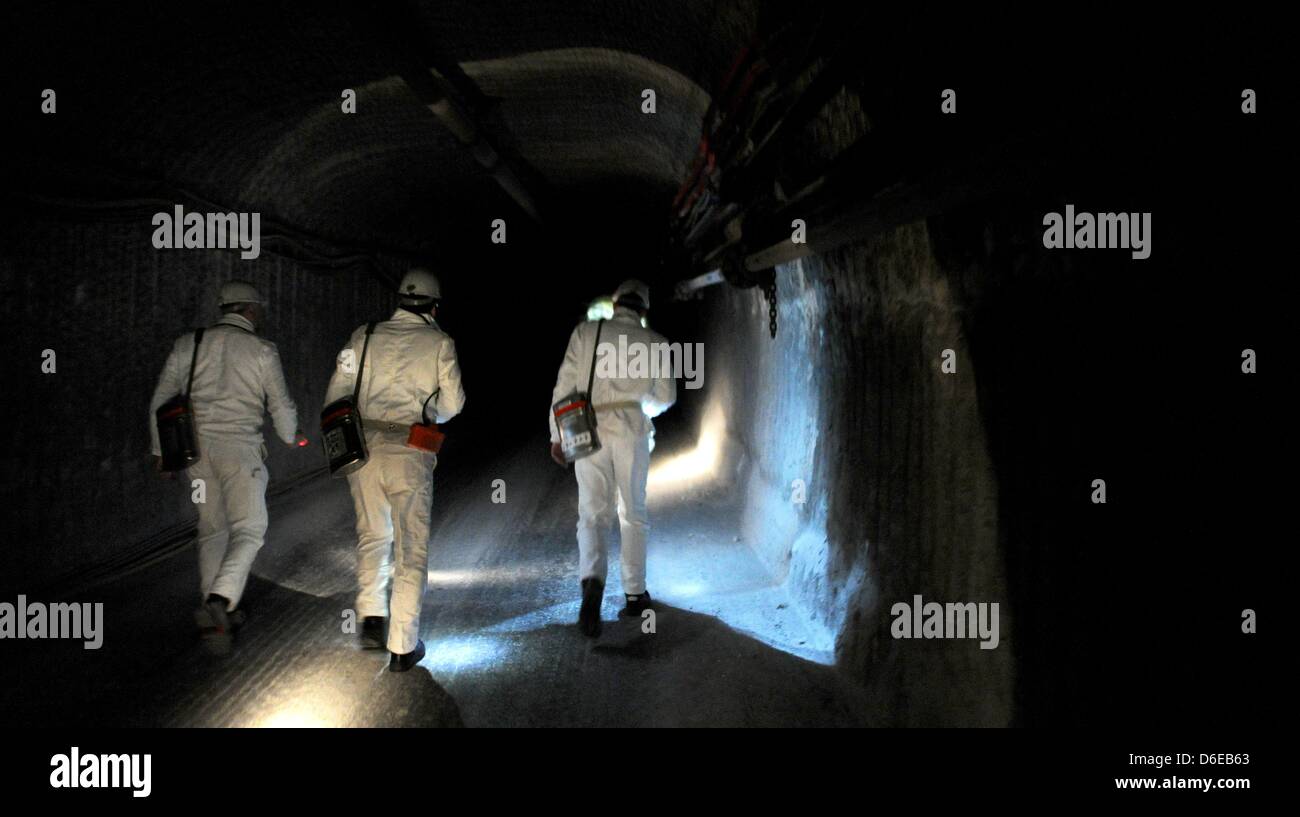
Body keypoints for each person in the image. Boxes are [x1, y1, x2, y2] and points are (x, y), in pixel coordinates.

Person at [149, 280, 306, 654]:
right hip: (241, 454)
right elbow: (280, 407)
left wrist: (161, 451)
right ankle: (220, 600)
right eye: (259, 309)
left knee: (212, 529)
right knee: (250, 529)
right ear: (250, 310)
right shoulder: (262, 350)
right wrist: (291, 436)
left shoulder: (188, 344)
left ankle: (215, 618)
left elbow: (160, 400)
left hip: (196, 456)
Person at [326, 267, 465, 671]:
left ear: (399, 302)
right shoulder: (440, 343)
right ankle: (403, 646)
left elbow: (337, 392)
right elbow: (454, 406)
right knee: (411, 547)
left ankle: (371, 615)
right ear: (434, 307)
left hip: (364, 449)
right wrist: (426, 411)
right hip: (410, 449)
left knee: (372, 533)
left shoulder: (363, 336)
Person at [549, 279, 676, 637]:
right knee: (632, 512)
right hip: (632, 431)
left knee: (591, 512)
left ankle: (591, 583)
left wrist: (556, 435)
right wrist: (638, 406)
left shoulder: (585, 333)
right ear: (644, 311)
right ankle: (635, 595)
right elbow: (665, 397)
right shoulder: (657, 343)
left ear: (615, 303)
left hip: (588, 428)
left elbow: (563, 388)